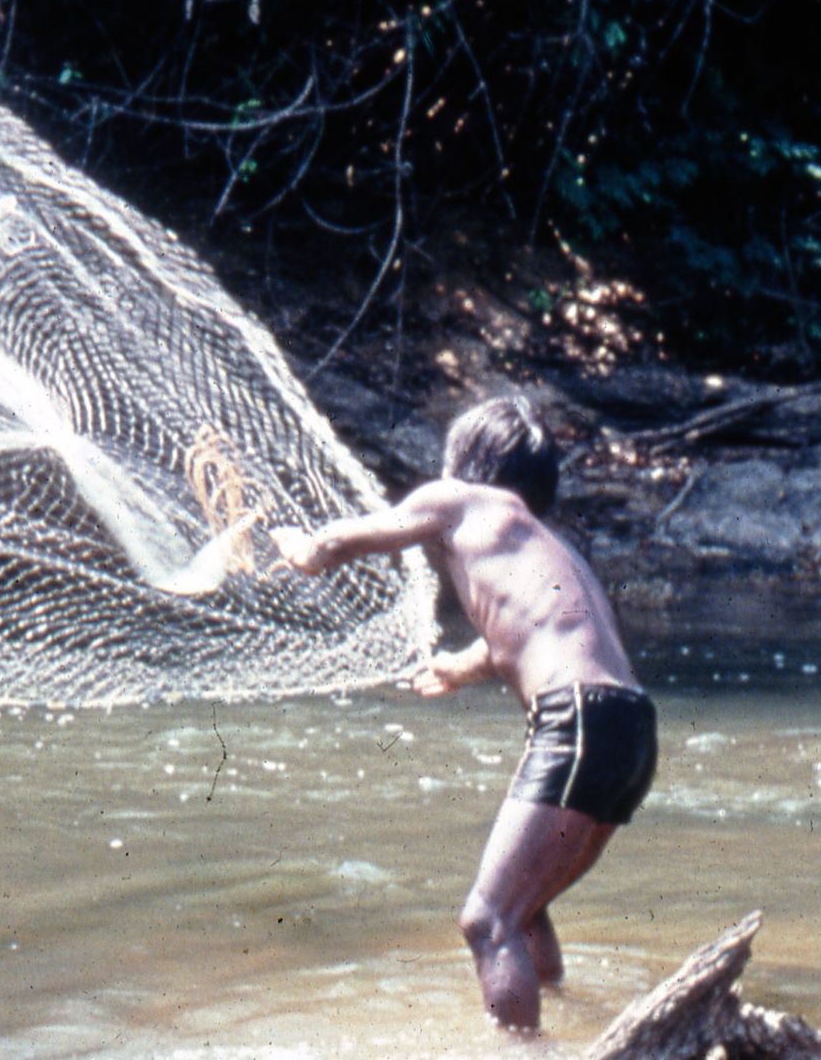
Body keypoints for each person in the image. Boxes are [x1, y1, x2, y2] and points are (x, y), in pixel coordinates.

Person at [271, 395, 657, 1036]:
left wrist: (305, 549)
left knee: (487, 919)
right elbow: (516, 639)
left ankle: (523, 1052)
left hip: (578, 719)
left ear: (464, 464)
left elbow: (343, 541)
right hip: (632, 729)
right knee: (523, 908)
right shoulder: (549, 548)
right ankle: (570, 1036)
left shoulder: (458, 500)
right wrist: (455, 669)